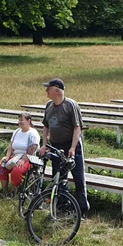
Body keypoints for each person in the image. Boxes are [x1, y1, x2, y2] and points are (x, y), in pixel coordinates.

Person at [40, 78, 89, 212]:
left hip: (71, 146)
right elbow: (45, 126)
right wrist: (45, 144)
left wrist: (73, 147)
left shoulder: (70, 105)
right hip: (56, 146)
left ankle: (82, 208)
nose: (46, 91)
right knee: (59, 178)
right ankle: (63, 207)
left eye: (48, 88)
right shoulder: (49, 105)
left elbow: (77, 127)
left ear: (56, 91)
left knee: (78, 177)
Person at [0, 111, 40, 194]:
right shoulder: (17, 131)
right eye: (19, 120)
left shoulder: (33, 133)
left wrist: (23, 160)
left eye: (22, 120)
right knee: (2, 166)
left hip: (28, 158)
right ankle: (4, 190)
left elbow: (32, 149)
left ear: (28, 121)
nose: (19, 122)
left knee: (17, 170)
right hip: (16, 156)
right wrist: (6, 158)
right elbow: (11, 146)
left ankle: (14, 191)